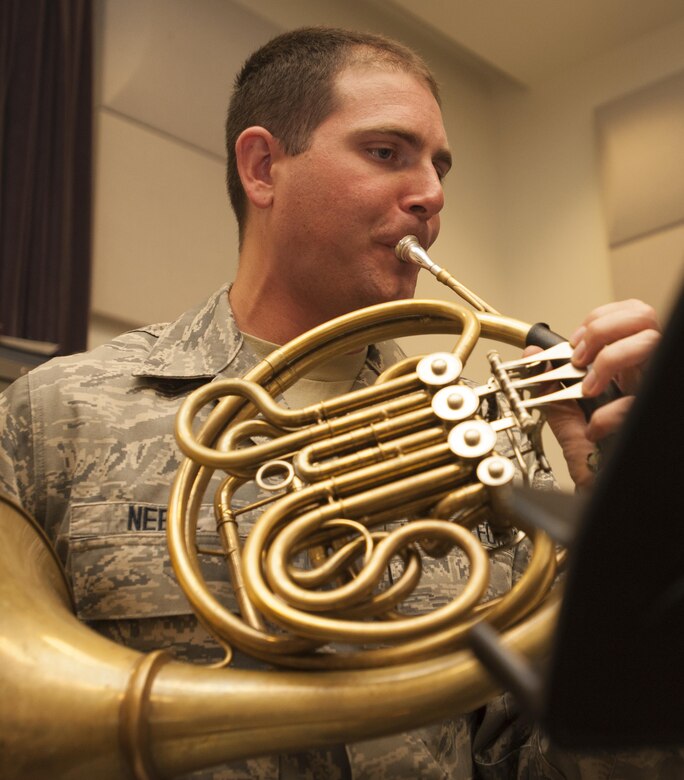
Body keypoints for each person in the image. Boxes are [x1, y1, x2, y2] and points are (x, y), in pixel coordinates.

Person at [0, 26, 674, 780]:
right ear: (262, 168)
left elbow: (544, 761)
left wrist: (633, 538)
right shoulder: (59, 412)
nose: (432, 195)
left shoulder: (487, 461)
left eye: (439, 166)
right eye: (387, 153)